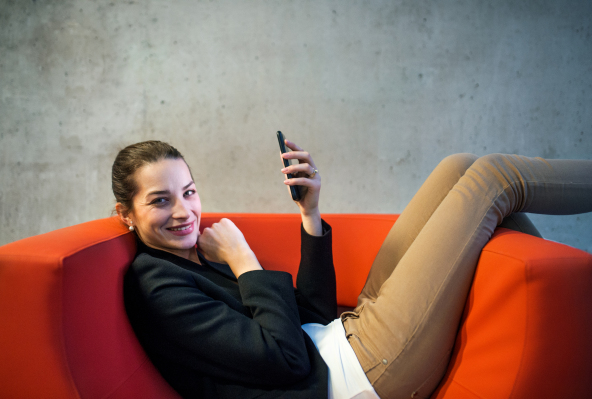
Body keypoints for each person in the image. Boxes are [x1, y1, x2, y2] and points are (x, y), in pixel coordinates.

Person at [113, 139, 592, 399]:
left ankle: (556, 325)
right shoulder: (156, 285)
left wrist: (310, 212)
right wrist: (245, 262)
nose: (184, 212)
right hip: (356, 375)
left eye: (189, 192)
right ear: (126, 214)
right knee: (495, 177)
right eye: (160, 200)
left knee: (458, 166)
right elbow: (287, 359)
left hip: (343, 337)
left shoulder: (192, 256)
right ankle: (567, 328)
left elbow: (313, 313)